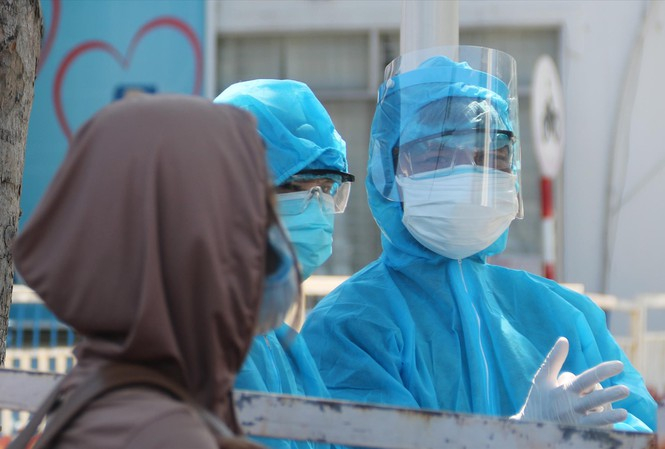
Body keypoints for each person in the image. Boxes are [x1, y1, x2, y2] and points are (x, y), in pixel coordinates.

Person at [301, 46, 657, 432]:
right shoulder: (350, 328)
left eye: (490, 155)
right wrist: (520, 437)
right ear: (389, 175)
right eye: (438, 154)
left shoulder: (563, 314)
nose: (468, 173)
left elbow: (641, 430)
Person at [11, 94, 301, 448]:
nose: (273, 250)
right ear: (186, 243)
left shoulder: (102, 397)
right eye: (254, 216)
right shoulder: (160, 432)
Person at [214, 79, 354, 449]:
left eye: (327, 190)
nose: (318, 209)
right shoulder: (196, 336)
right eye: (296, 188)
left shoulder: (281, 342)